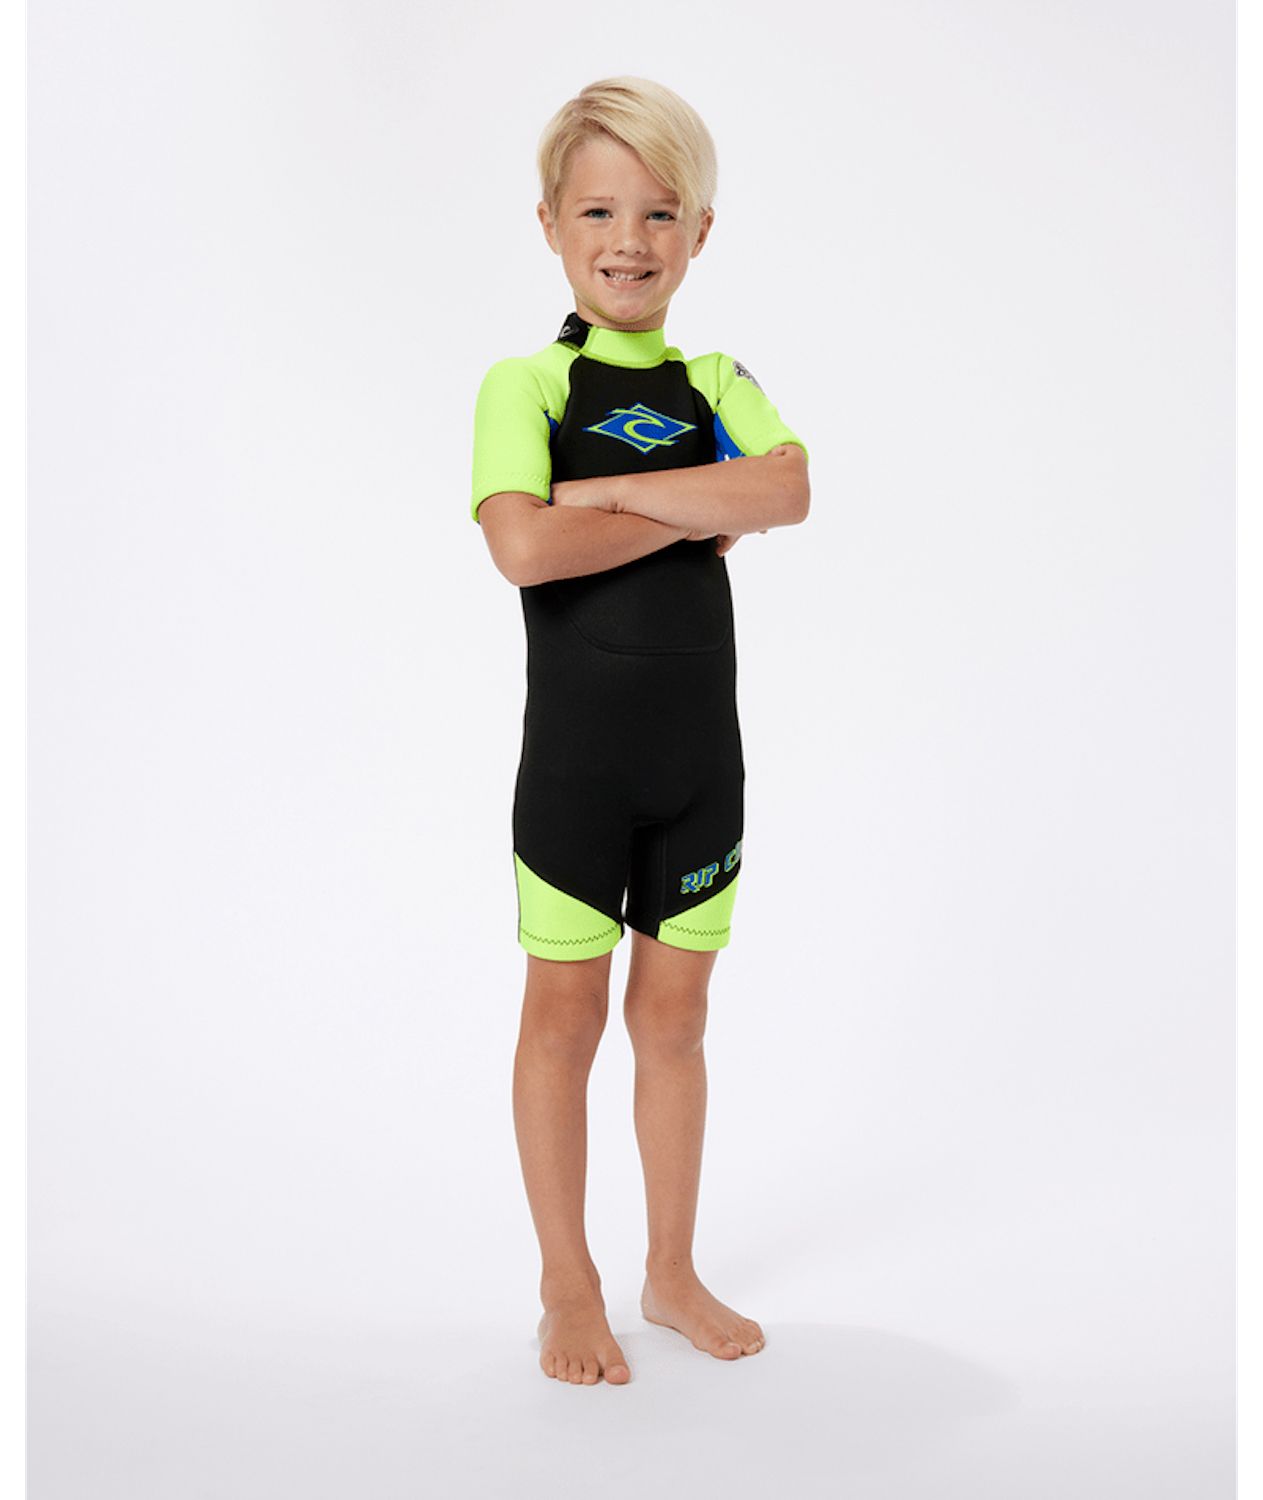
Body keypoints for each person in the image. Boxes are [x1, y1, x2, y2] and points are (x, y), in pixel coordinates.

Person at [469, 76, 810, 1386]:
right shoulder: (524, 384)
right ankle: (569, 1284)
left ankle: (670, 1271)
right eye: (600, 211)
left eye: (661, 212)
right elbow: (523, 547)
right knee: (564, 1021)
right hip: (575, 778)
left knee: (676, 1024)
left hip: (699, 774)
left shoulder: (717, 379)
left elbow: (788, 489)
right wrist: (693, 504)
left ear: (700, 231)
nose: (630, 239)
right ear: (552, 225)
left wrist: (607, 495)